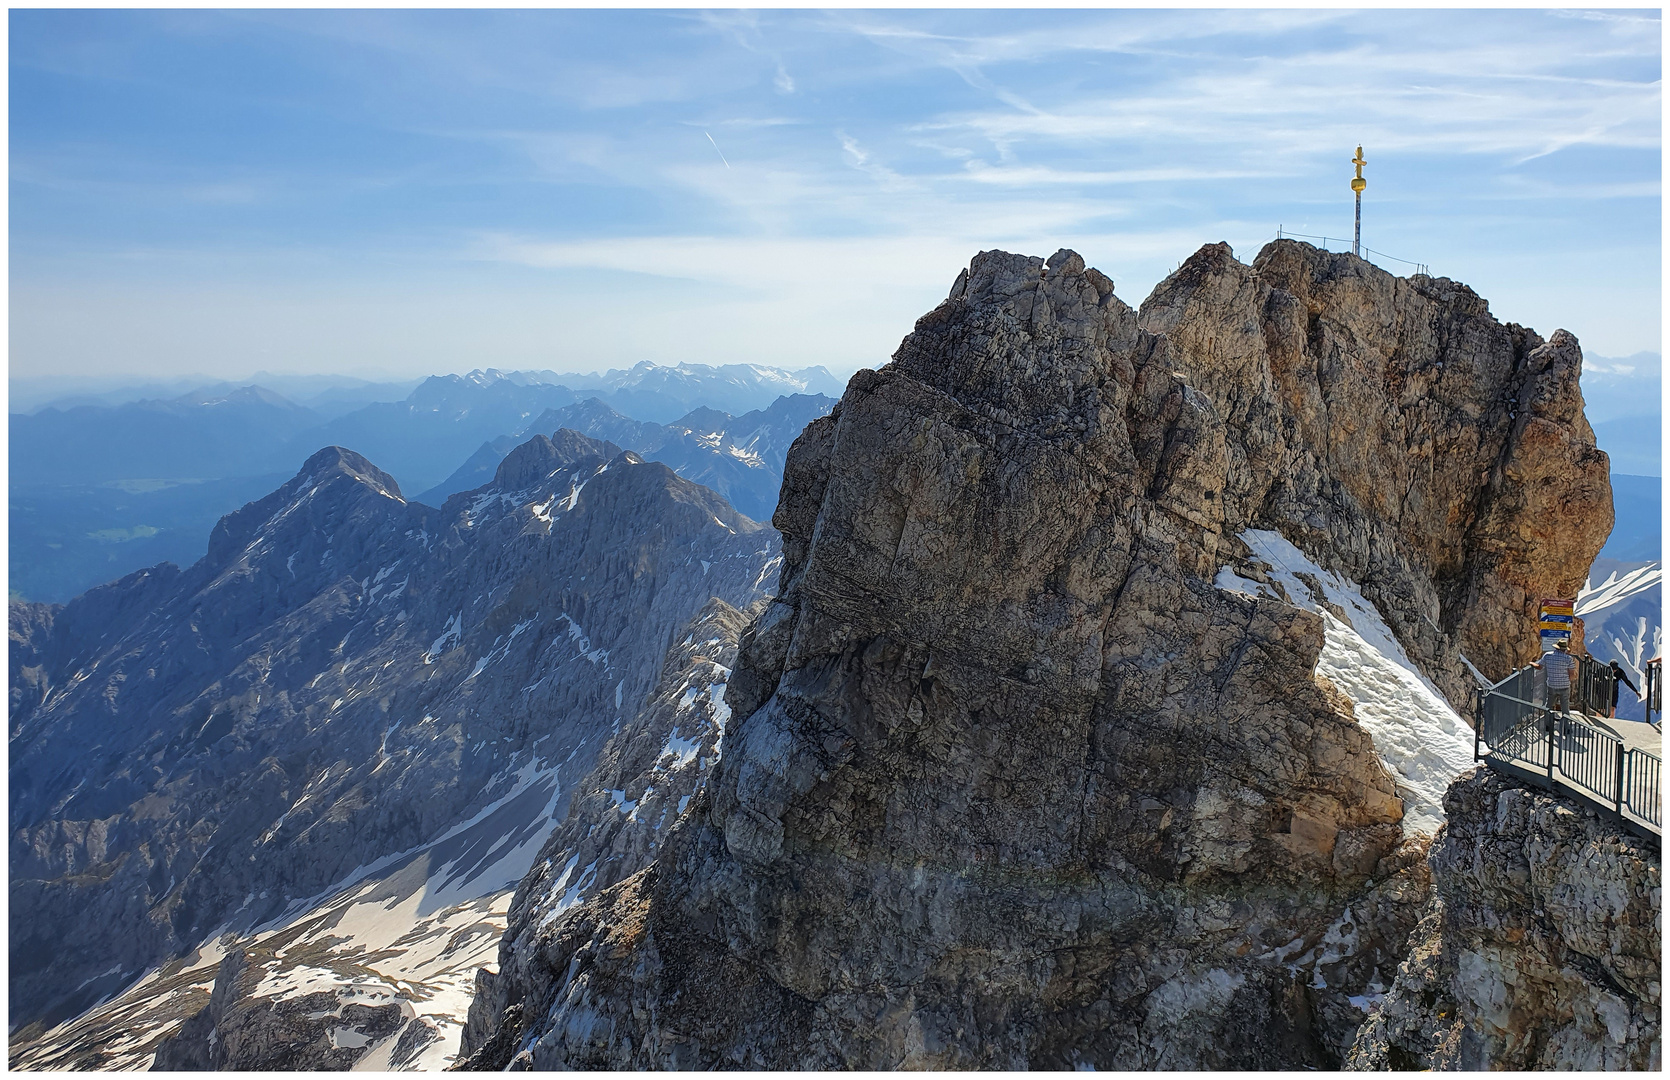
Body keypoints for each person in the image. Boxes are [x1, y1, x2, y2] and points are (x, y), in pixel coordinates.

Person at [1531, 639, 1577, 714]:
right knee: (1565, 708)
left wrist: (1531, 663)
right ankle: (1566, 725)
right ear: (1565, 649)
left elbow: (1539, 666)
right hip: (1564, 686)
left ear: (1556, 647)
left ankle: (1547, 724)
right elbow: (1572, 674)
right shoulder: (1568, 659)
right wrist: (1568, 681)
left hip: (1552, 685)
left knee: (1548, 705)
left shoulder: (1547, 655)